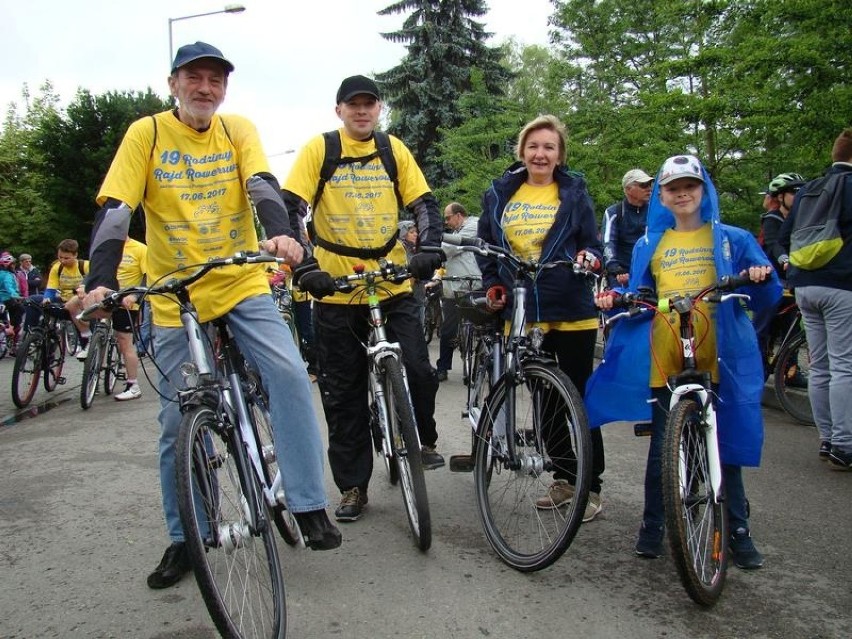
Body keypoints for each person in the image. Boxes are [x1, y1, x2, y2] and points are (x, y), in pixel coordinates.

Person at [83, 41, 341, 590]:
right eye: (194, 78)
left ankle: (306, 502)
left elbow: (262, 185)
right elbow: (117, 208)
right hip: (175, 294)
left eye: (216, 81)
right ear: (173, 83)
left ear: (225, 89)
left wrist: (278, 232)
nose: (206, 89)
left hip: (239, 280)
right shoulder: (146, 134)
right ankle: (186, 536)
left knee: (292, 376)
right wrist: (100, 281)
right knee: (178, 424)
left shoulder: (237, 130)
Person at [587, 154, 781, 568]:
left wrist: (761, 277)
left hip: (718, 351)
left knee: (721, 442)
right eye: (673, 188)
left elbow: (767, 292)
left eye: (690, 186)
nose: (682, 194)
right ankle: (653, 526)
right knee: (663, 444)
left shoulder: (730, 237)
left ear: (703, 189)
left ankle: (738, 531)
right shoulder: (649, 244)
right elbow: (636, 294)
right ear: (662, 195)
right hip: (667, 350)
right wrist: (612, 300)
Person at [282, 74, 445, 523]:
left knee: (418, 368)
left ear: (378, 109)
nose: (361, 111)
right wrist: (307, 267)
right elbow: (291, 206)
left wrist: (428, 248)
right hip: (336, 291)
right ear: (339, 110)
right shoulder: (321, 149)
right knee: (344, 393)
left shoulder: (394, 150)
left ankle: (422, 438)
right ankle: (353, 485)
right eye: (352, 105)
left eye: (369, 104)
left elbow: (424, 204)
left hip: (391, 282)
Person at [476, 114, 606, 522]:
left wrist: (591, 257)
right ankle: (566, 478)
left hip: (569, 305)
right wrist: (492, 283)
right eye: (533, 146)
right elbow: (486, 246)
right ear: (522, 152)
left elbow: (592, 244)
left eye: (549, 147)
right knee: (545, 400)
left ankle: (591, 486)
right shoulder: (499, 194)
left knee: (578, 400)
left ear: (559, 154)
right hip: (523, 309)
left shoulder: (574, 192)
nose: (540, 153)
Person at [779, 128, 852, 470]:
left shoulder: (810, 189)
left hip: (805, 285)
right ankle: (845, 443)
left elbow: (784, 234)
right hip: (841, 284)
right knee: (844, 365)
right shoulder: (849, 186)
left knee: (820, 365)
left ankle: (827, 439)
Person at [753, 173, 806, 378]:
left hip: (789, 279)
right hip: (768, 279)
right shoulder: (772, 219)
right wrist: (785, 260)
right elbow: (775, 244)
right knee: (762, 327)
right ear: (781, 197)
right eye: (794, 192)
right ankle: (755, 369)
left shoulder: (800, 219)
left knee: (791, 325)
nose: (799, 195)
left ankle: (790, 372)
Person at [434, 202, 481, 381]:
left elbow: (449, 249)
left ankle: (480, 363)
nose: (446, 222)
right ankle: (442, 368)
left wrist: (450, 248)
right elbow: (447, 254)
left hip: (472, 286)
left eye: (448, 218)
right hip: (452, 288)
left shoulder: (473, 225)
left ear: (459, 215)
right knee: (448, 330)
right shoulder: (454, 233)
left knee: (480, 328)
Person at [27, 239, 90, 353]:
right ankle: (32, 334)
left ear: (75, 255)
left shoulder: (85, 266)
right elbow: (51, 288)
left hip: (81, 304)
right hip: (63, 300)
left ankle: (85, 345)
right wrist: (47, 298)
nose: (62, 260)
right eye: (60, 257)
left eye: (66, 258)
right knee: (32, 300)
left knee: (77, 312)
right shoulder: (57, 267)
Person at [601, 169, 654, 286]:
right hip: (622, 274)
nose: (649, 188)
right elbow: (608, 242)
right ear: (628, 189)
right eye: (644, 185)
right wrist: (615, 268)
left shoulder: (655, 211)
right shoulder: (613, 212)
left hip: (651, 272)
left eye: (650, 184)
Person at [112, 236, 147, 401]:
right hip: (107, 297)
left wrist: (134, 296)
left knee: (125, 342)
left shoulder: (140, 248)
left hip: (127, 303)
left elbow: (148, 276)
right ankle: (92, 349)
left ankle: (133, 385)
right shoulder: (106, 244)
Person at [0, 252, 24, 341]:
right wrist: (16, 296)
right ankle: (10, 329)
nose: (14, 266)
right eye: (13, 264)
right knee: (20, 309)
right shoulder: (8, 275)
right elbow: (9, 287)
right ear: (8, 265)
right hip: (6, 298)